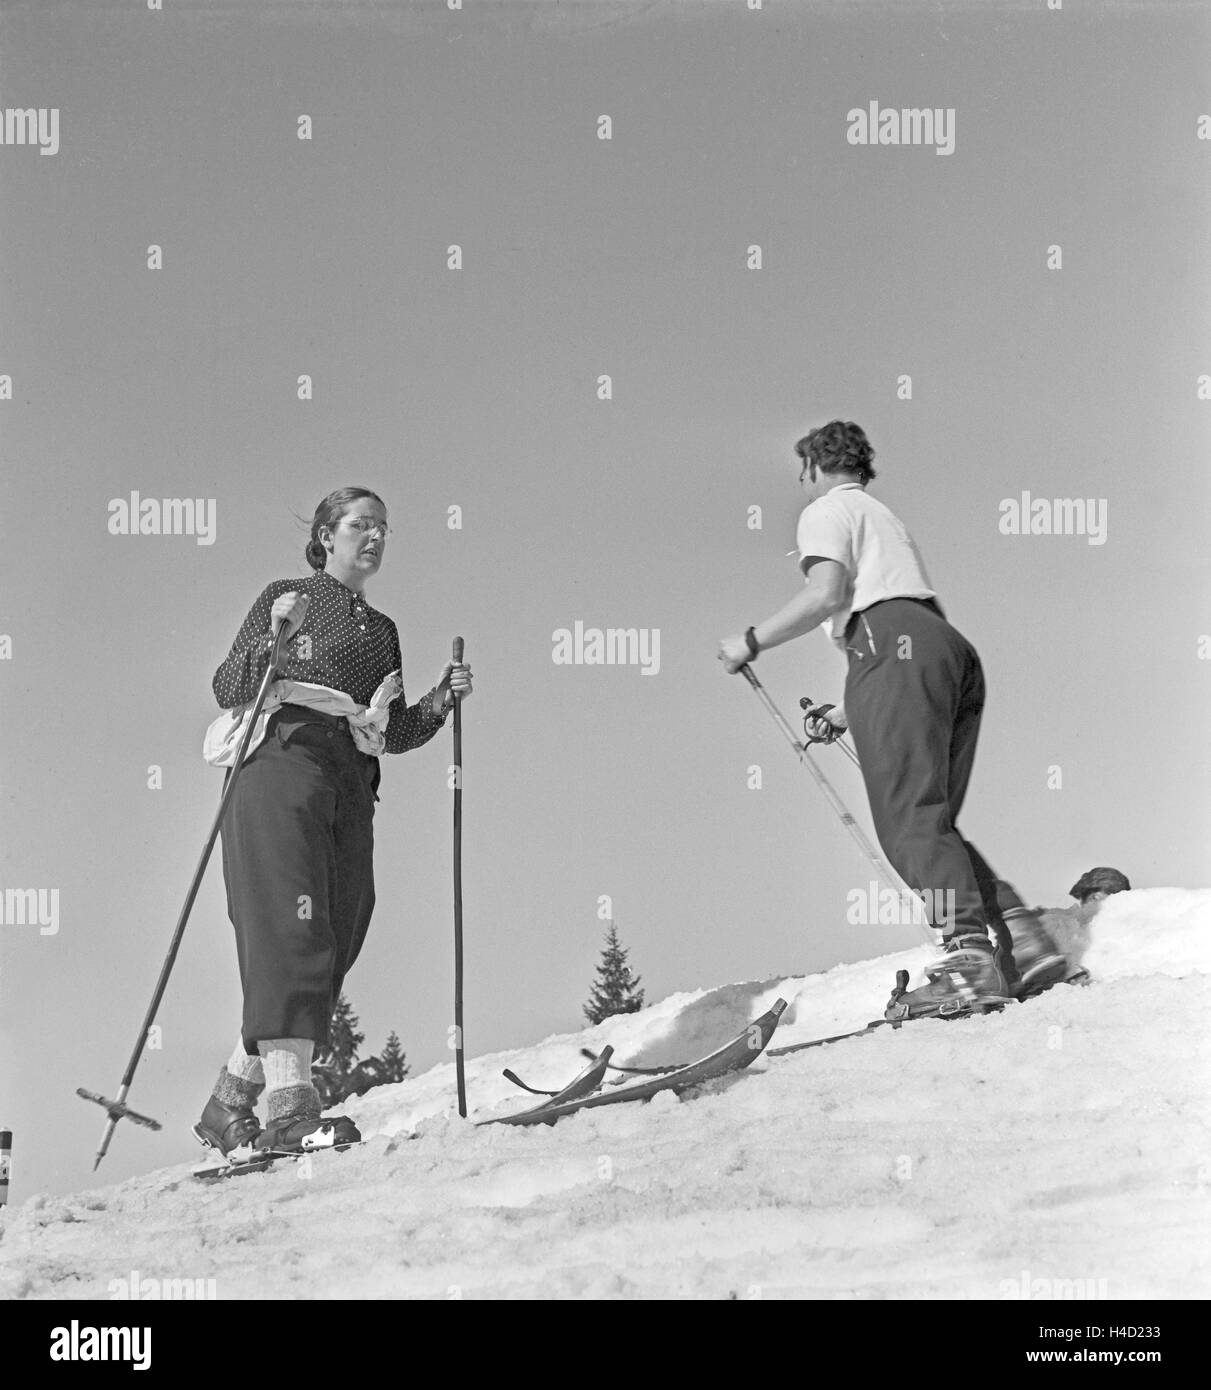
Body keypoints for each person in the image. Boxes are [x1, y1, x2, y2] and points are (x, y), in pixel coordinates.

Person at [719, 421, 1065, 1018]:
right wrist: (855, 709)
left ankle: (970, 961)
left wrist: (752, 640)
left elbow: (828, 594)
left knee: (909, 821)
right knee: (931, 817)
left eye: (801, 474)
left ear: (814, 468)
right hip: (944, 648)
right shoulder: (883, 516)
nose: (801, 485)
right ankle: (1023, 941)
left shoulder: (826, 511)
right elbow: (910, 630)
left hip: (887, 646)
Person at [195, 487, 472, 1157]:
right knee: (292, 928)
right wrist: (272, 639)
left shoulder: (382, 632)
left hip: (349, 777)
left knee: (341, 928)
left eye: (382, 526)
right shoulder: (286, 594)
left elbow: (394, 728)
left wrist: (440, 700)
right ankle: (289, 1110)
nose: (373, 536)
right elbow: (229, 686)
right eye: (359, 524)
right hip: (282, 763)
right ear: (325, 534)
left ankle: (225, 1105)